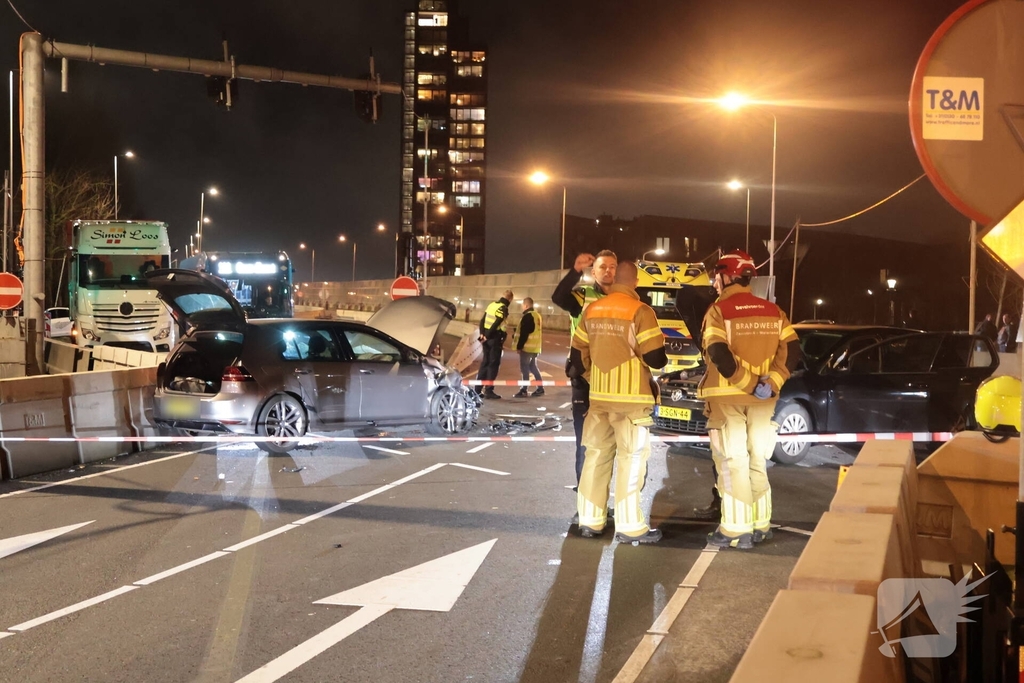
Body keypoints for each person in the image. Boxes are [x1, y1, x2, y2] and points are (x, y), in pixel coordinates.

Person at [698, 249, 800, 550]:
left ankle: (734, 530)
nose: (716, 281)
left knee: (733, 463)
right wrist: (772, 382)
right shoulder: (774, 311)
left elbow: (717, 352)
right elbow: (793, 351)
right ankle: (760, 525)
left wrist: (749, 383)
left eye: (718, 275)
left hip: (728, 398)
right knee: (757, 460)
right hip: (764, 400)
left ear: (728, 275)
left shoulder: (718, 311)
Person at [571, 260, 667, 544]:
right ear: (635, 282)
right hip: (632, 403)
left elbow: (577, 358)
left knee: (596, 458)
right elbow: (655, 358)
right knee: (631, 460)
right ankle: (630, 526)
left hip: (599, 400)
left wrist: (596, 378)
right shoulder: (641, 311)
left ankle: (589, 520)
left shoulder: (592, 309)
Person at [552, 250, 618, 485]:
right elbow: (559, 297)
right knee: (586, 441)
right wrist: (575, 271)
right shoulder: (583, 296)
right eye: (603, 267)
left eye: (612, 266)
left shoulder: (624, 299)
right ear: (593, 271)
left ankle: (601, 495)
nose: (608, 271)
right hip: (585, 379)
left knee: (612, 443)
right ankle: (585, 497)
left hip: (615, 379)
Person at [476, 290, 512, 399]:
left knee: (485, 363)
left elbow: (482, 320)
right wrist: (487, 335)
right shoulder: (503, 308)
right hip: (494, 338)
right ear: (510, 299)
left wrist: (482, 334)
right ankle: (489, 390)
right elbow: (497, 322)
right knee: (493, 364)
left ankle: (477, 390)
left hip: (485, 338)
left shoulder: (492, 305)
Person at [513, 297, 544, 398]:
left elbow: (524, 333)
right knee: (533, 367)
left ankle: (524, 390)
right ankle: (540, 388)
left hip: (527, 347)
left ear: (526, 305)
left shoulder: (528, 316)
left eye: (523, 305)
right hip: (535, 347)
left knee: (525, 368)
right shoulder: (537, 315)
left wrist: (519, 346)